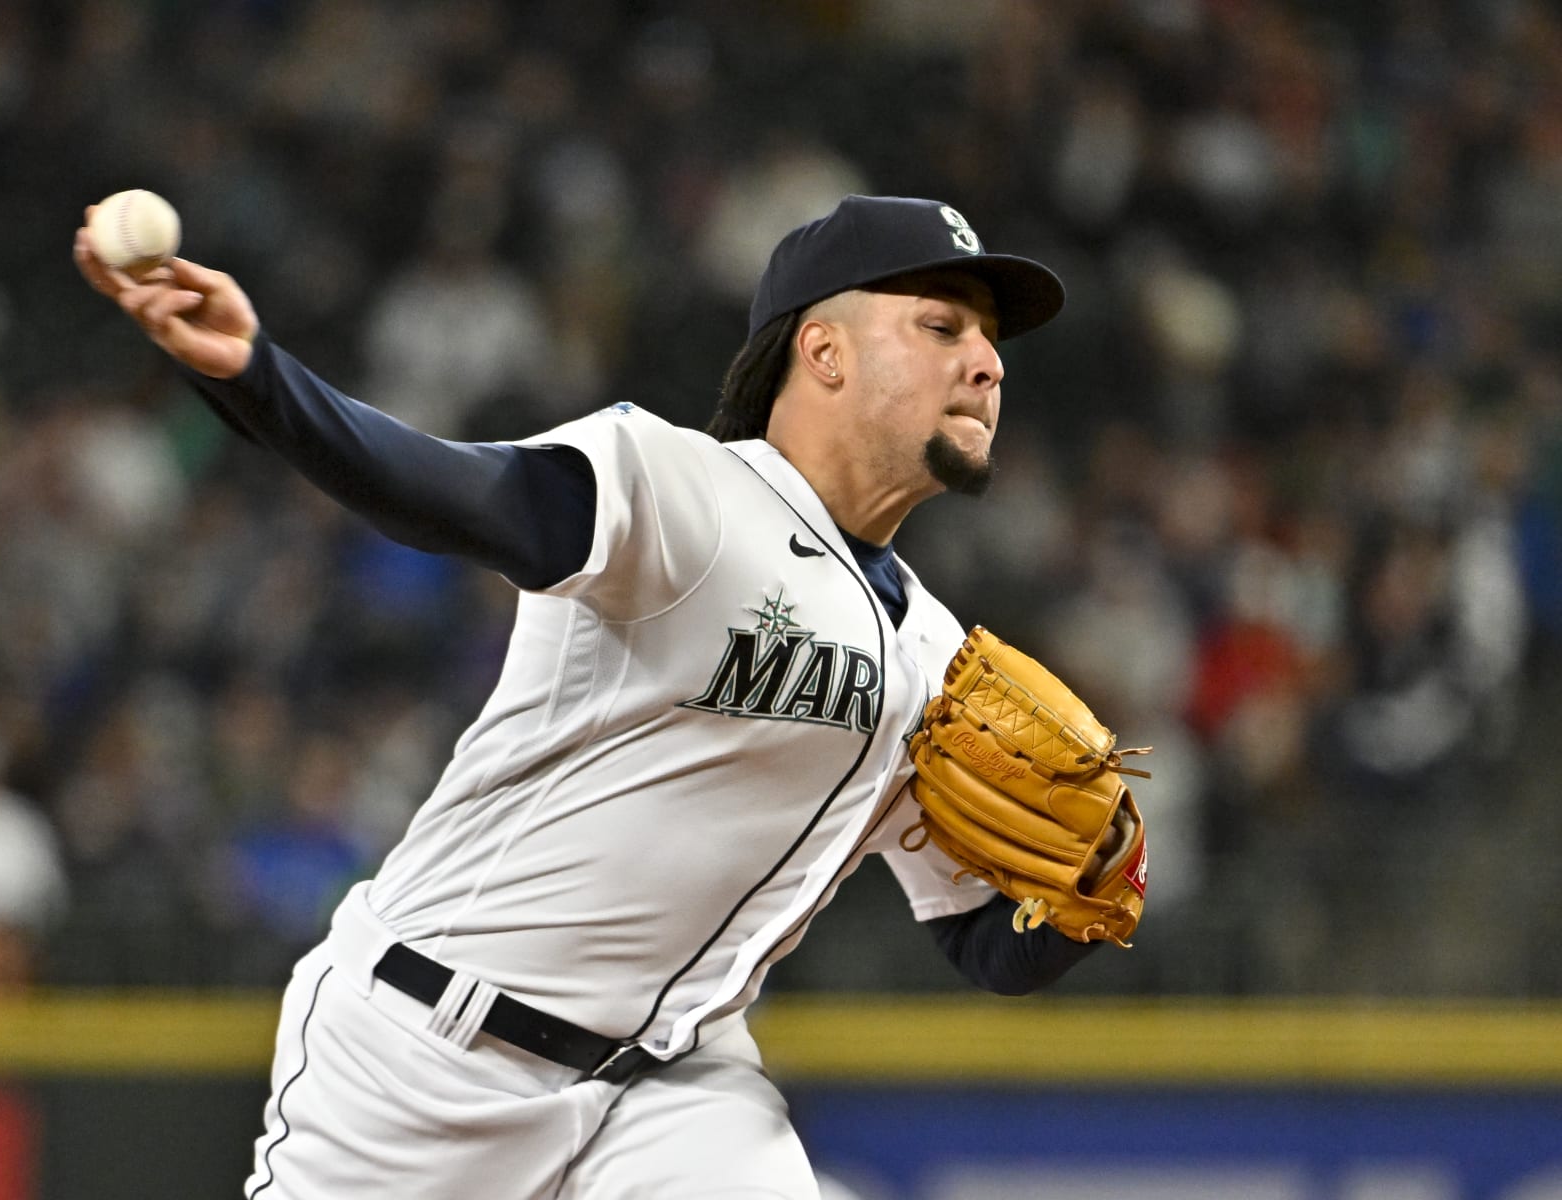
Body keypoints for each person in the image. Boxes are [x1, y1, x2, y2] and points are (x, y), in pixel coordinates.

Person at [76, 193, 1105, 1198]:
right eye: (941, 326)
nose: (987, 362)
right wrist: (259, 377)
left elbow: (985, 946)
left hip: (674, 1088)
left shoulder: (940, 662)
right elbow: (437, 488)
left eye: (990, 339)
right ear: (824, 351)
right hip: (427, 1054)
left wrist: (1089, 888)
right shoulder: (681, 489)